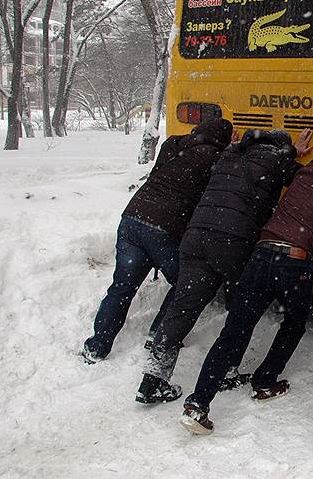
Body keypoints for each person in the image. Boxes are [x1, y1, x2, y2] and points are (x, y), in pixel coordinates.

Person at [178, 117, 313, 435]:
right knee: (294, 324)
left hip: (261, 254)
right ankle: (264, 381)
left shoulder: (307, 173)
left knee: (233, 331)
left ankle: (198, 404)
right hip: (295, 263)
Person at [135, 127, 311, 404]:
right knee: (240, 310)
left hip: (196, 236)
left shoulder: (229, 154)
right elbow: (302, 176)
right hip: (232, 243)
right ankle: (227, 369)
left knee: (182, 307)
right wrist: (294, 153)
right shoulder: (276, 160)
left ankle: (153, 379)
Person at [81, 118, 234, 364]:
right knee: (184, 283)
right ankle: (159, 334)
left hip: (133, 218)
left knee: (121, 288)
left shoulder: (172, 145)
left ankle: (97, 346)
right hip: (165, 228)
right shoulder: (215, 159)